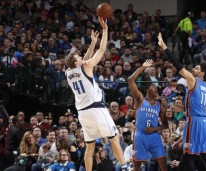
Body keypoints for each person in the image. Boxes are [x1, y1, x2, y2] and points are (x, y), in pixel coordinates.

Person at [65, 17, 128, 171]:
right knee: (114, 138)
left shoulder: (68, 72)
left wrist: (92, 41)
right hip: (95, 109)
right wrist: (105, 31)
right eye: (78, 57)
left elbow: (84, 60)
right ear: (76, 62)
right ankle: (126, 167)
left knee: (90, 146)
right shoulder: (85, 67)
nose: (81, 57)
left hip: (82, 112)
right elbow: (101, 50)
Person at [158, 33, 206, 171]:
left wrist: (164, 47)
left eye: (196, 68)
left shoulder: (193, 80)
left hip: (194, 121)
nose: (193, 69)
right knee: (202, 153)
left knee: (188, 155)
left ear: (201, 74)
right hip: (204, 121)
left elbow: (178, 65)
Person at [128, 59, 168, 171]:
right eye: (153, 87)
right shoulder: (140, 99)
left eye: (156, 88)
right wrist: (142, 67)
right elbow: (130, 80)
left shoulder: (159, 106)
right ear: (147, 89)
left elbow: (165, 125)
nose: (156, 89)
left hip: (154, 136)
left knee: (163, 163)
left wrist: (154, 129)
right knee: (137, 164)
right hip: (140, 135)